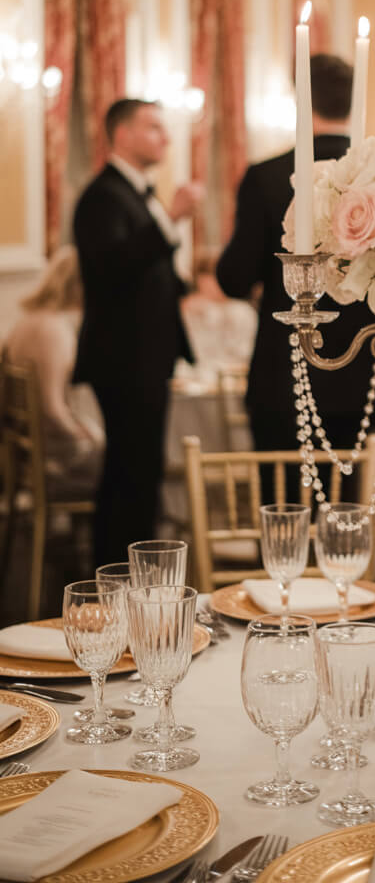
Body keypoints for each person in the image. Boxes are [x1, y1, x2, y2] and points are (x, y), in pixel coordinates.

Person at [217, 55, 375, 498]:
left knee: (284, 513)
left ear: (301, 98)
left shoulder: (266, 178)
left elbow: (234, 278)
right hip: (365, 370)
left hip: (286, 373)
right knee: (351, 515)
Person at [73, 99, 202, 564]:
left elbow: (144, 273)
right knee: (130, 473)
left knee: (138, 471)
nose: (165, 138)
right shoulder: (102, 196)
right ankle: (120, 581)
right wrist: (172, 217)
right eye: (153, 128)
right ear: (122, 135)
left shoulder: (132, 193)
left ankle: (134, 579)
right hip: (123, 359)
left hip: (145, 356)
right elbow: (112, 267)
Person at [4, 246, 102, 489]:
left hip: (23, 446)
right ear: (78, 285)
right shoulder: (54, 331)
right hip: (52, 452)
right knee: (126, 454)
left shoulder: (25, 321)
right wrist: (83, 435)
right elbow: (52, 408)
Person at [180, 248, 257, 377]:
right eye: (206, 277)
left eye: (214, 277)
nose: (211, 284)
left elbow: (246, 353)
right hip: (195, 378)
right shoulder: (189, 309)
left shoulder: (243, 312)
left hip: (233, 377)